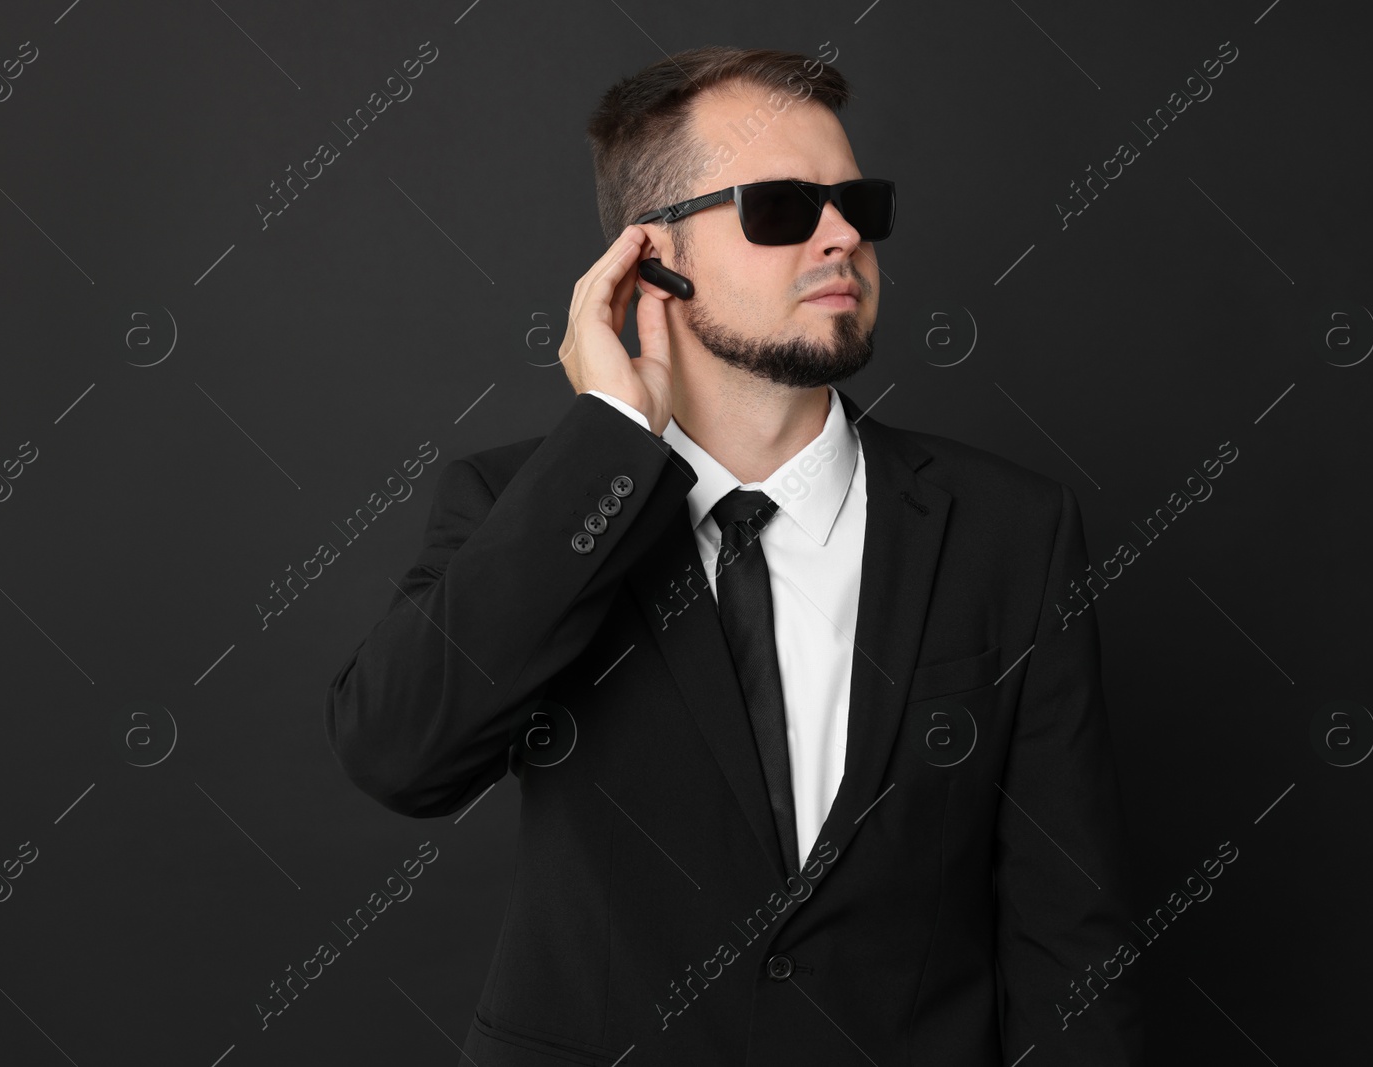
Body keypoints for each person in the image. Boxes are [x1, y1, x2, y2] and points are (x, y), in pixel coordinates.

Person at [324, 45, 1142, 1066]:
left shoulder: (1009, 529)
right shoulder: (522, 504)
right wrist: (610, 439)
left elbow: (1070, 935)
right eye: (783, 207)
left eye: (857, 202)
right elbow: (398, 753)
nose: (842, 235)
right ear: (652, 254)